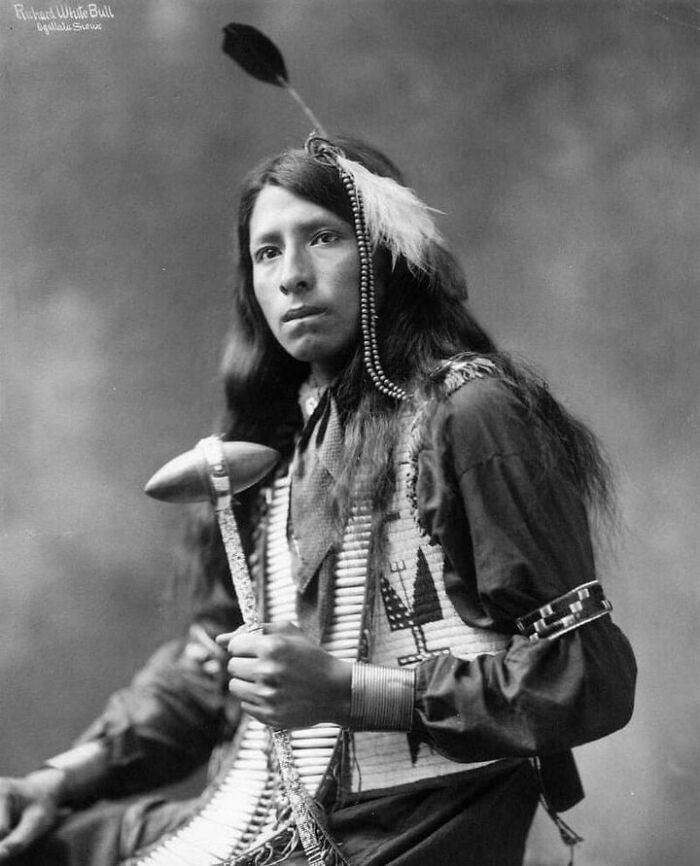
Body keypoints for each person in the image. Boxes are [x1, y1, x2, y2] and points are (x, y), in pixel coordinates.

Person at [0, 135, 636, 866]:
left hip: (405, 832)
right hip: (257, 813)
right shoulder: (272, 447)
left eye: (325, 238)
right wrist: (59, 780)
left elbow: (587, 678)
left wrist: (348, 691)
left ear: (387, 255)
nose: (293, 276)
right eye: (267, 253)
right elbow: (208, 670)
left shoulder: (472, 413)